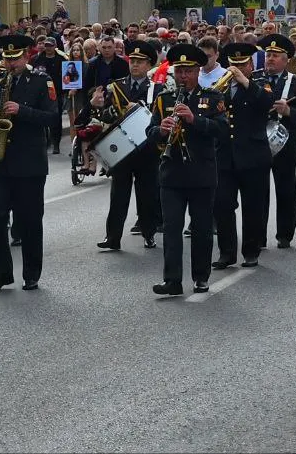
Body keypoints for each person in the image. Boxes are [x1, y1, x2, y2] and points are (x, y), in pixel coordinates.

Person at [0, 35, 60, 292]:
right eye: (7, 58)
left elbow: (52, 117)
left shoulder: (41, 81)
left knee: (30, 220)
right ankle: (0, 274)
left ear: (26, 57)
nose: (10, 63)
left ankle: (31, 273)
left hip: (29, 164)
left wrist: (21, 111)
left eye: (15, 59)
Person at [147, 43, 227, 295]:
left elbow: (222, 130)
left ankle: (201, 277)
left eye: (188, 71)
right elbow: (149, 133)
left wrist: (195, 120)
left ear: (197, 72)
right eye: (179, 70)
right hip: (172, 174)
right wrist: (161, 130)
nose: (183, 75)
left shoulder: (212, 98)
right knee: (171, 229)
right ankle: (172, 280)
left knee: (202, 230)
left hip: (201, 173)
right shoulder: (164, 99)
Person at [94, 40, 164, 252]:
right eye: (132, 60)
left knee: (147, 195)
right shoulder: (117, 87)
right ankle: (112, 237)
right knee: (118, 195)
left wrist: (142, 110)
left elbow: (162, 115)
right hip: (122, 150)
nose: (134, 65)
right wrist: (110, 112)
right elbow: (104, 114)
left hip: (146, 149)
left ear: (149, 64)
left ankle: (149, 233)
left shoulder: (157, 89)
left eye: (140, 62)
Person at [212, 42, 272, 268]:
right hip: (226, 155)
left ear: (251, 65)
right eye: (234, 64)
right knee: (222, 204)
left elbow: (266, 103)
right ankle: (226, 252)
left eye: (243, 64)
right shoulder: (221, 87)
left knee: (253, 206)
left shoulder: (260, 84)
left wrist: (244, 81)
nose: (237, 68)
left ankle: (251, 250)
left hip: (253, 155)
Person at [259, 34, 296, 248]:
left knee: (286, 188)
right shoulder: (255, 79)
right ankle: (258, 235)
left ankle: (285, 234)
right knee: (258, 190)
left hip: (284, 141)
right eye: (268, 55)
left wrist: (289, 111)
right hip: (259, 140)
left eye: (275, 56)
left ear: (286, 59)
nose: (270, 59)